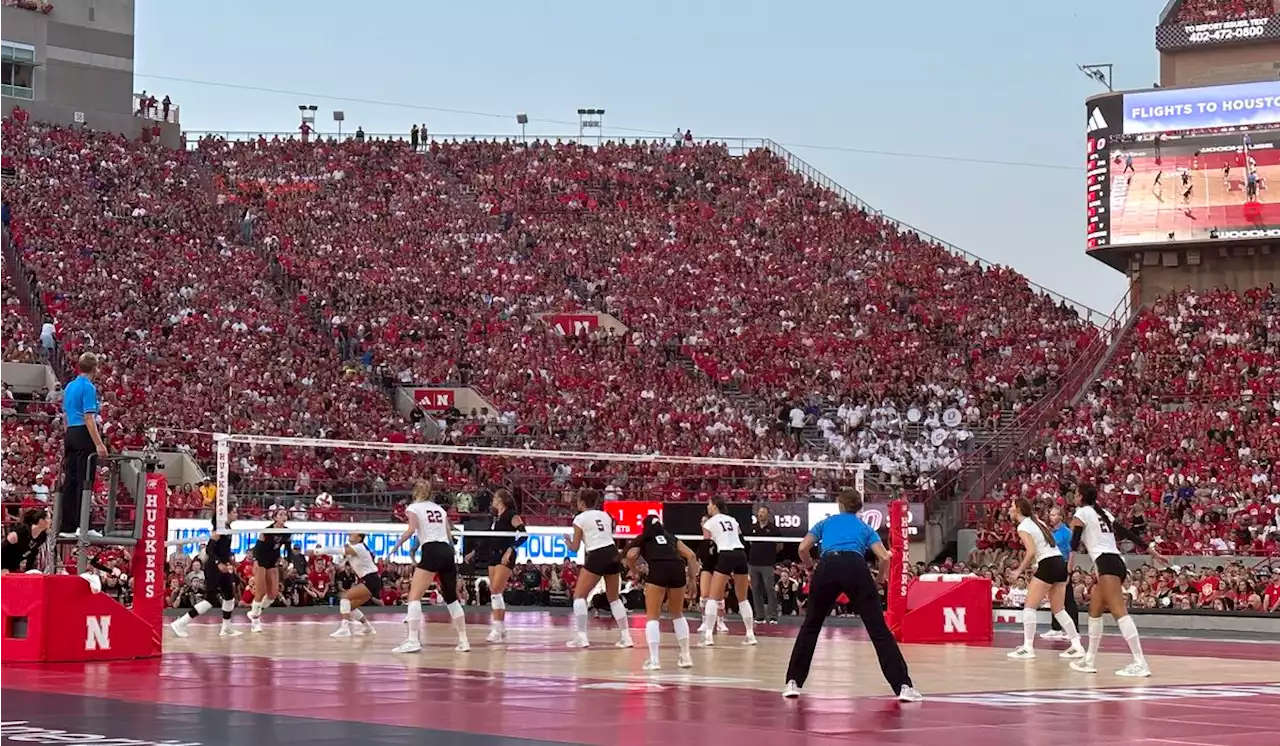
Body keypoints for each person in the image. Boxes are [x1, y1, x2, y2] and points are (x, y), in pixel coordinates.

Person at [782, 488, 920, 702]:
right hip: (855, 567)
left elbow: (802, 548)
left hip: (828, 566)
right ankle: (903, 686)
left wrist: (810, 568)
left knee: (811, 626)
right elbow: (884, 558)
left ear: (840, 504)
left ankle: (793, 682)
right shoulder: (865, 527)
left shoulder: (826, 523)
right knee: (878, 630)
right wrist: (879, 580)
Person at [1069, 483, 1168, 677]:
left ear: (1080, 496)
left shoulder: (1082, 512)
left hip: (1106, 564)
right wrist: (1151, 551)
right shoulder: (1103, 512)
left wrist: (1070, 564)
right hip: (1115, 562)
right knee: (1094, 610)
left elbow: (1074, 542)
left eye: (1075, 494)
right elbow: (1127, 533)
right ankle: (1088, 660)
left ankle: (1140, 662)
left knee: (1119, 612)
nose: (1073, 497)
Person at [388, 481, 469, 653]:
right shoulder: (439, 509)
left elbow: (411, 530)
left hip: (431, 549)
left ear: (415, 491)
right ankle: (464, 641)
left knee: (414, 597)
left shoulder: (414, 508)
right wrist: (452, 554)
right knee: (451, 598)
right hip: (447, 550)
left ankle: (412, 640)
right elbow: (448, 534)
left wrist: (394, 549)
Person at [1005, 498, 1084, 661]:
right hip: (1059, 562)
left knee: (1029, 607)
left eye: (1012, 507)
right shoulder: (1037, 521)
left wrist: (1019, 570)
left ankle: (1028, 647)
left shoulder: (1023, 526)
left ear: (1019, 509)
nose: (1009, 509)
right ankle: (1077, 645)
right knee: (1059, 610)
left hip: (1047, 563)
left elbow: (1031, 550)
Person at [625, 514, 697, 670]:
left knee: (652, 616)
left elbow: (630, 555)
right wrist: (692, 579)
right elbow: (691, 555)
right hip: (677, 568)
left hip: (658, 568)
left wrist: (634, 570)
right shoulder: (670, 537)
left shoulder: (644, 538)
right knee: (677, 614)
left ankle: (654, 660)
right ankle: (686, 656)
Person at [565, 489, 633, 649]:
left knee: (579, 596)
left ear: (582, 503)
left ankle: (581, 637)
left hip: (596, 554)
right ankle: (626, 637)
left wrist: (567, 542)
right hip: (612, 553)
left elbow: (574, 548)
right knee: (614, 599)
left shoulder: (579, 518)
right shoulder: (606, 515)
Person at [464, 488, 526, 643]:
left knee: (497, 590)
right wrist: (474, 552)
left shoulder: (512, 515)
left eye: (494, 498)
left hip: (505, 555)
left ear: (501, 500)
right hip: (493, 555)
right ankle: (501, 628)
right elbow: (488, 539)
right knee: (495, 592)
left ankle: (497, 629)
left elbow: (524, 535)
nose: (492, 501)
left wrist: (511, 549)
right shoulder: (495, 518)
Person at [171, 507, 242, 638]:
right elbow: (210, 549)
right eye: (234, 512)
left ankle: (226, 628)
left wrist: (231, 562)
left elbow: (223, 550)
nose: (237, 514)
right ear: (226, 514)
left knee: (229, 597)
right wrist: (218, 563)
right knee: (209, 600)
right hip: (214, 569)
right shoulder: (218, 529)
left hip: (224, 567)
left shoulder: (228, 529)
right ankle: (180, 623)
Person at [58, 353, 108, 535]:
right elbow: (89, 417)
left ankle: (68, 525)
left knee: (70, 480)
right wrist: (99, 444)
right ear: (94, 368)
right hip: (82, 432)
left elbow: (64, 415)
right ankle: (83, 525)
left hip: (70, 432)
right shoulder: (88, 387)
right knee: (84, 479)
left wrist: (69, 435)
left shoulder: (70, 386)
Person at [701, 497, 756, 647]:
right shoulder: (732, 520)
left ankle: (708, 637)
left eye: (709, 504)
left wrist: (712, 566)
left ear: (714, 506)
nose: (707, 506)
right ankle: (750, 634)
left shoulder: (709, 522)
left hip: (725, 554)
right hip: (740, 554)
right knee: (743, 599)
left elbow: (708, 546)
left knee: (712, 597)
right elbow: (741, 539)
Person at [246, 508, 290, 633]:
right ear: (275, 517)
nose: (284, 516)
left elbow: (288, 548)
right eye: (281, 514)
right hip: (261, 560)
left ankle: (255, 611)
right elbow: (258, 548)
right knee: (260, 591)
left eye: (285, 514)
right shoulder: (267, 531)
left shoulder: (287, 532)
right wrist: (255, 562)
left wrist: (287, 560)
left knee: (273, 594)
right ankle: (255, 621)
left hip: (272, 561)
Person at [329, 533, 380, 638]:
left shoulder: (360, 547)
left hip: (371, 579)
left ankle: (344, 629)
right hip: (371, 580)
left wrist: (318, 552)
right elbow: (339, 564)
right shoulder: (352, 550)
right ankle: (368, 627)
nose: (350, 534)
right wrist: (342, 555)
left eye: (353, 534)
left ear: (359, 538)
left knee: (345, 597)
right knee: (350, 607)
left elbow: (340, 551)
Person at [1042, 505, 1080, 641]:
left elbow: (1071, 553)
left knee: (1068, 598)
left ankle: (1074, 629)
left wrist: (1069, 571)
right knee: (1054, 597)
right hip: (1054, 565)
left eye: (1053, 515)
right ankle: (1056, 628)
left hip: (1064, 565)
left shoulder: (1066, 532)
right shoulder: (1052, 532)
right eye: (1050, 514)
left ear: (1060, 517)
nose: (1050, 517)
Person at [747, 505, 782, 625]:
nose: (761, 514)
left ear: (767, 514)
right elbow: (750, 543)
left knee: (770, 589)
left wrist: (770, 554)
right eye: (759, 512)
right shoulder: (753, 527)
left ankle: (773, 616)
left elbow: (779, 545)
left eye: (763, 512)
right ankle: (760, 616)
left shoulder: (773, 529)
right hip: (753, 563)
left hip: (767, 564)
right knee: (756, 589)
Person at [695, 514, 728, 635]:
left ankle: (720, 621)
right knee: (704, 595)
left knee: (718, 596)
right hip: (706, 568)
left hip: (718, 568)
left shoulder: (718, 538)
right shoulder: (701, 540)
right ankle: (704, 621)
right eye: (702, 521)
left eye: (706, 521)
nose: (704, 523)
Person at [0, 508, 51, 573]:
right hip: (3, 564)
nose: (50, 521)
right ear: (41, 521)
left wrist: (28, 572)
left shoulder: (42, 536)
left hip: (14, 566)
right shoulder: (21, 532)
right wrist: (3, 567)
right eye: (48, 518)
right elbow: (2, 550)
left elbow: (32, 555)